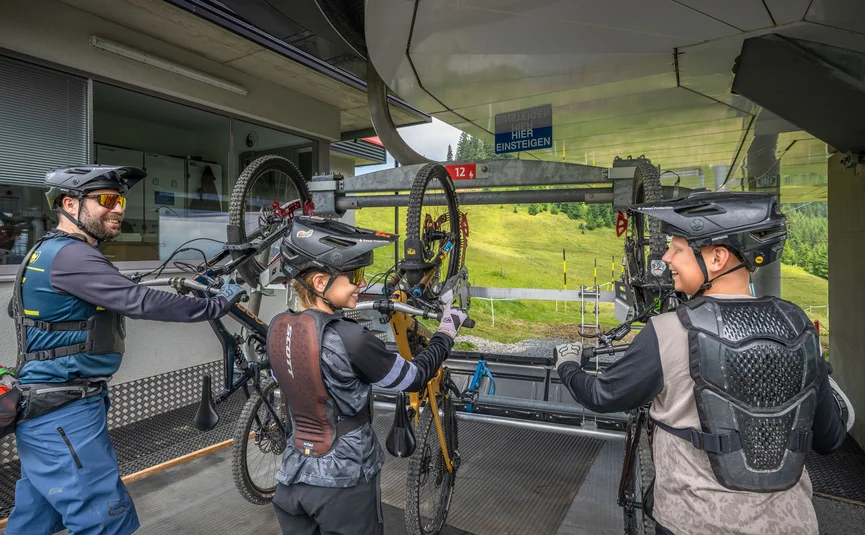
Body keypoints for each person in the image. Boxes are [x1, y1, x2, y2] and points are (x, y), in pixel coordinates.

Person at [555, 191, 846, 535]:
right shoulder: (799, 327)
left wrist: (568, 365)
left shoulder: (668, 330)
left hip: (692, 521)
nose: (666, 259)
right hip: (789, 523)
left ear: (718, 257)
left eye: (677, 249)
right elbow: (829, 438)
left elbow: (603, 396)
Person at [5, 165, 247, 535]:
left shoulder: (45, 252)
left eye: (120, 200)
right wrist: (217, 305)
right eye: (106, 199)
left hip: (46, 411)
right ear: (69, 203)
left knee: (35, 519)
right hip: (65, 416)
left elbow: (111, 291)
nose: (118, 208)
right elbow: (140, 301)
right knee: (105, 520)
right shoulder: (73, 257)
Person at [267, 216, 468, 535]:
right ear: (320, 283)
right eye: (354, 276)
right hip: (344, 485)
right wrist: (447, 328)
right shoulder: (352, 340)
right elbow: (414, 377)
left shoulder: (278, 328)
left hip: (291, 480)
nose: (361, 284)